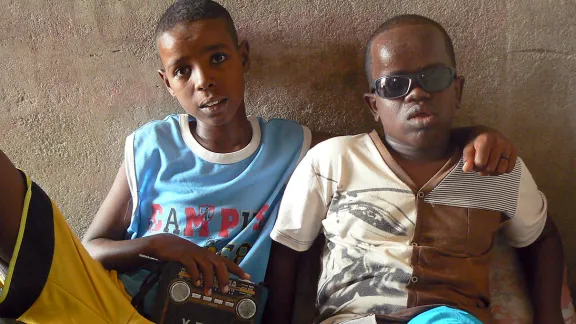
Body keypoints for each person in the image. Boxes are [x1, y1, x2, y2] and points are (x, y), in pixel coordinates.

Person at [0, 1, 517, 323]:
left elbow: (393, 138)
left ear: (243, 58)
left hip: (225, 316)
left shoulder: (296, 146)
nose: (204, 80)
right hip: (124, 309)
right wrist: (157, 244)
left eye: (218, 58)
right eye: (183, 70)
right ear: (167, 83)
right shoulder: (149, 147)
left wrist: (473, 133)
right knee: (14, 199)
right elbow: (88, 251)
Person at [268, 14, 564, 324]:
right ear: (374, 106)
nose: (417, 93)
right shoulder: (334, 160)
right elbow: (287, 249)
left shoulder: (493, 167)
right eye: (394, 84)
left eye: (433, 77)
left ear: (457, 91)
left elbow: (542, 239)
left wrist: (550, 317)